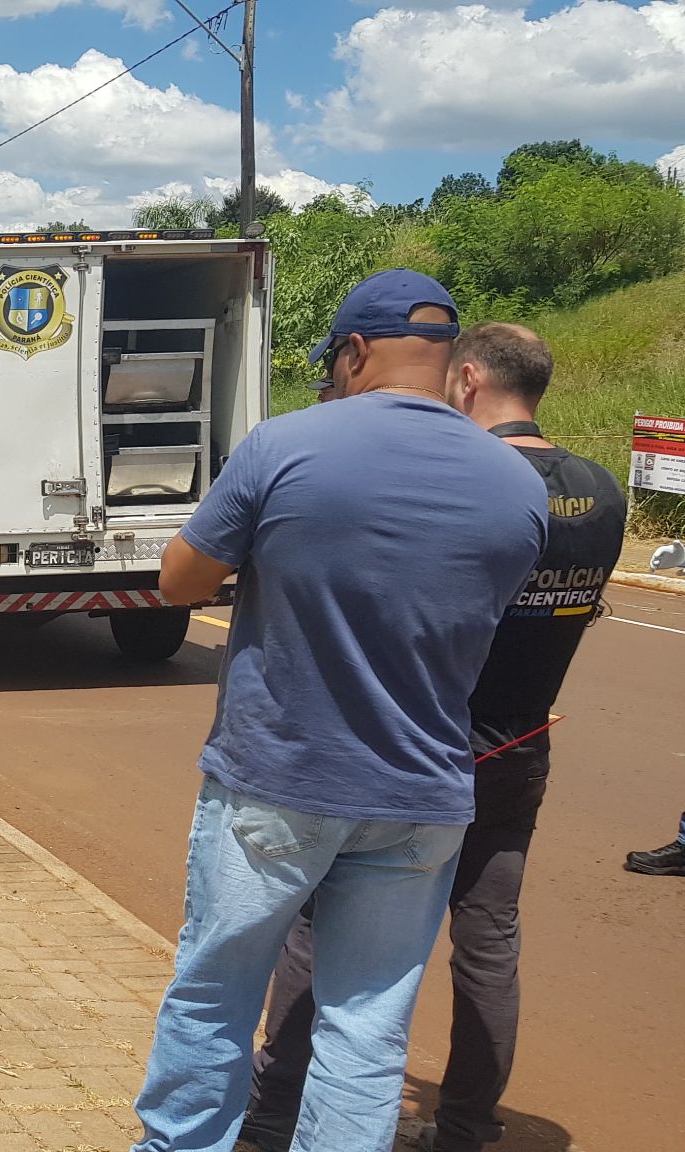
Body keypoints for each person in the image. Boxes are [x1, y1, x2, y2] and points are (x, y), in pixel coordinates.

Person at [129, 270, 547, 1152]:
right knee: (366, 1029)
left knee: (215, 993)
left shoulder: (285, 446)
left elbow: (179, 583)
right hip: (422, 797)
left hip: (280, 781)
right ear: (451, 362)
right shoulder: (515, 487)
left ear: (355, 352)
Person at [237, 323, 626, 1152]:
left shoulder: (480, 482)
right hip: (520, 746)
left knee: (323, 929)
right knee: (489, 944)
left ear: (470, 377)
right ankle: (467, 1128)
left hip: (420, 745)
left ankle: (272, 1121)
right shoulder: (602, 491)